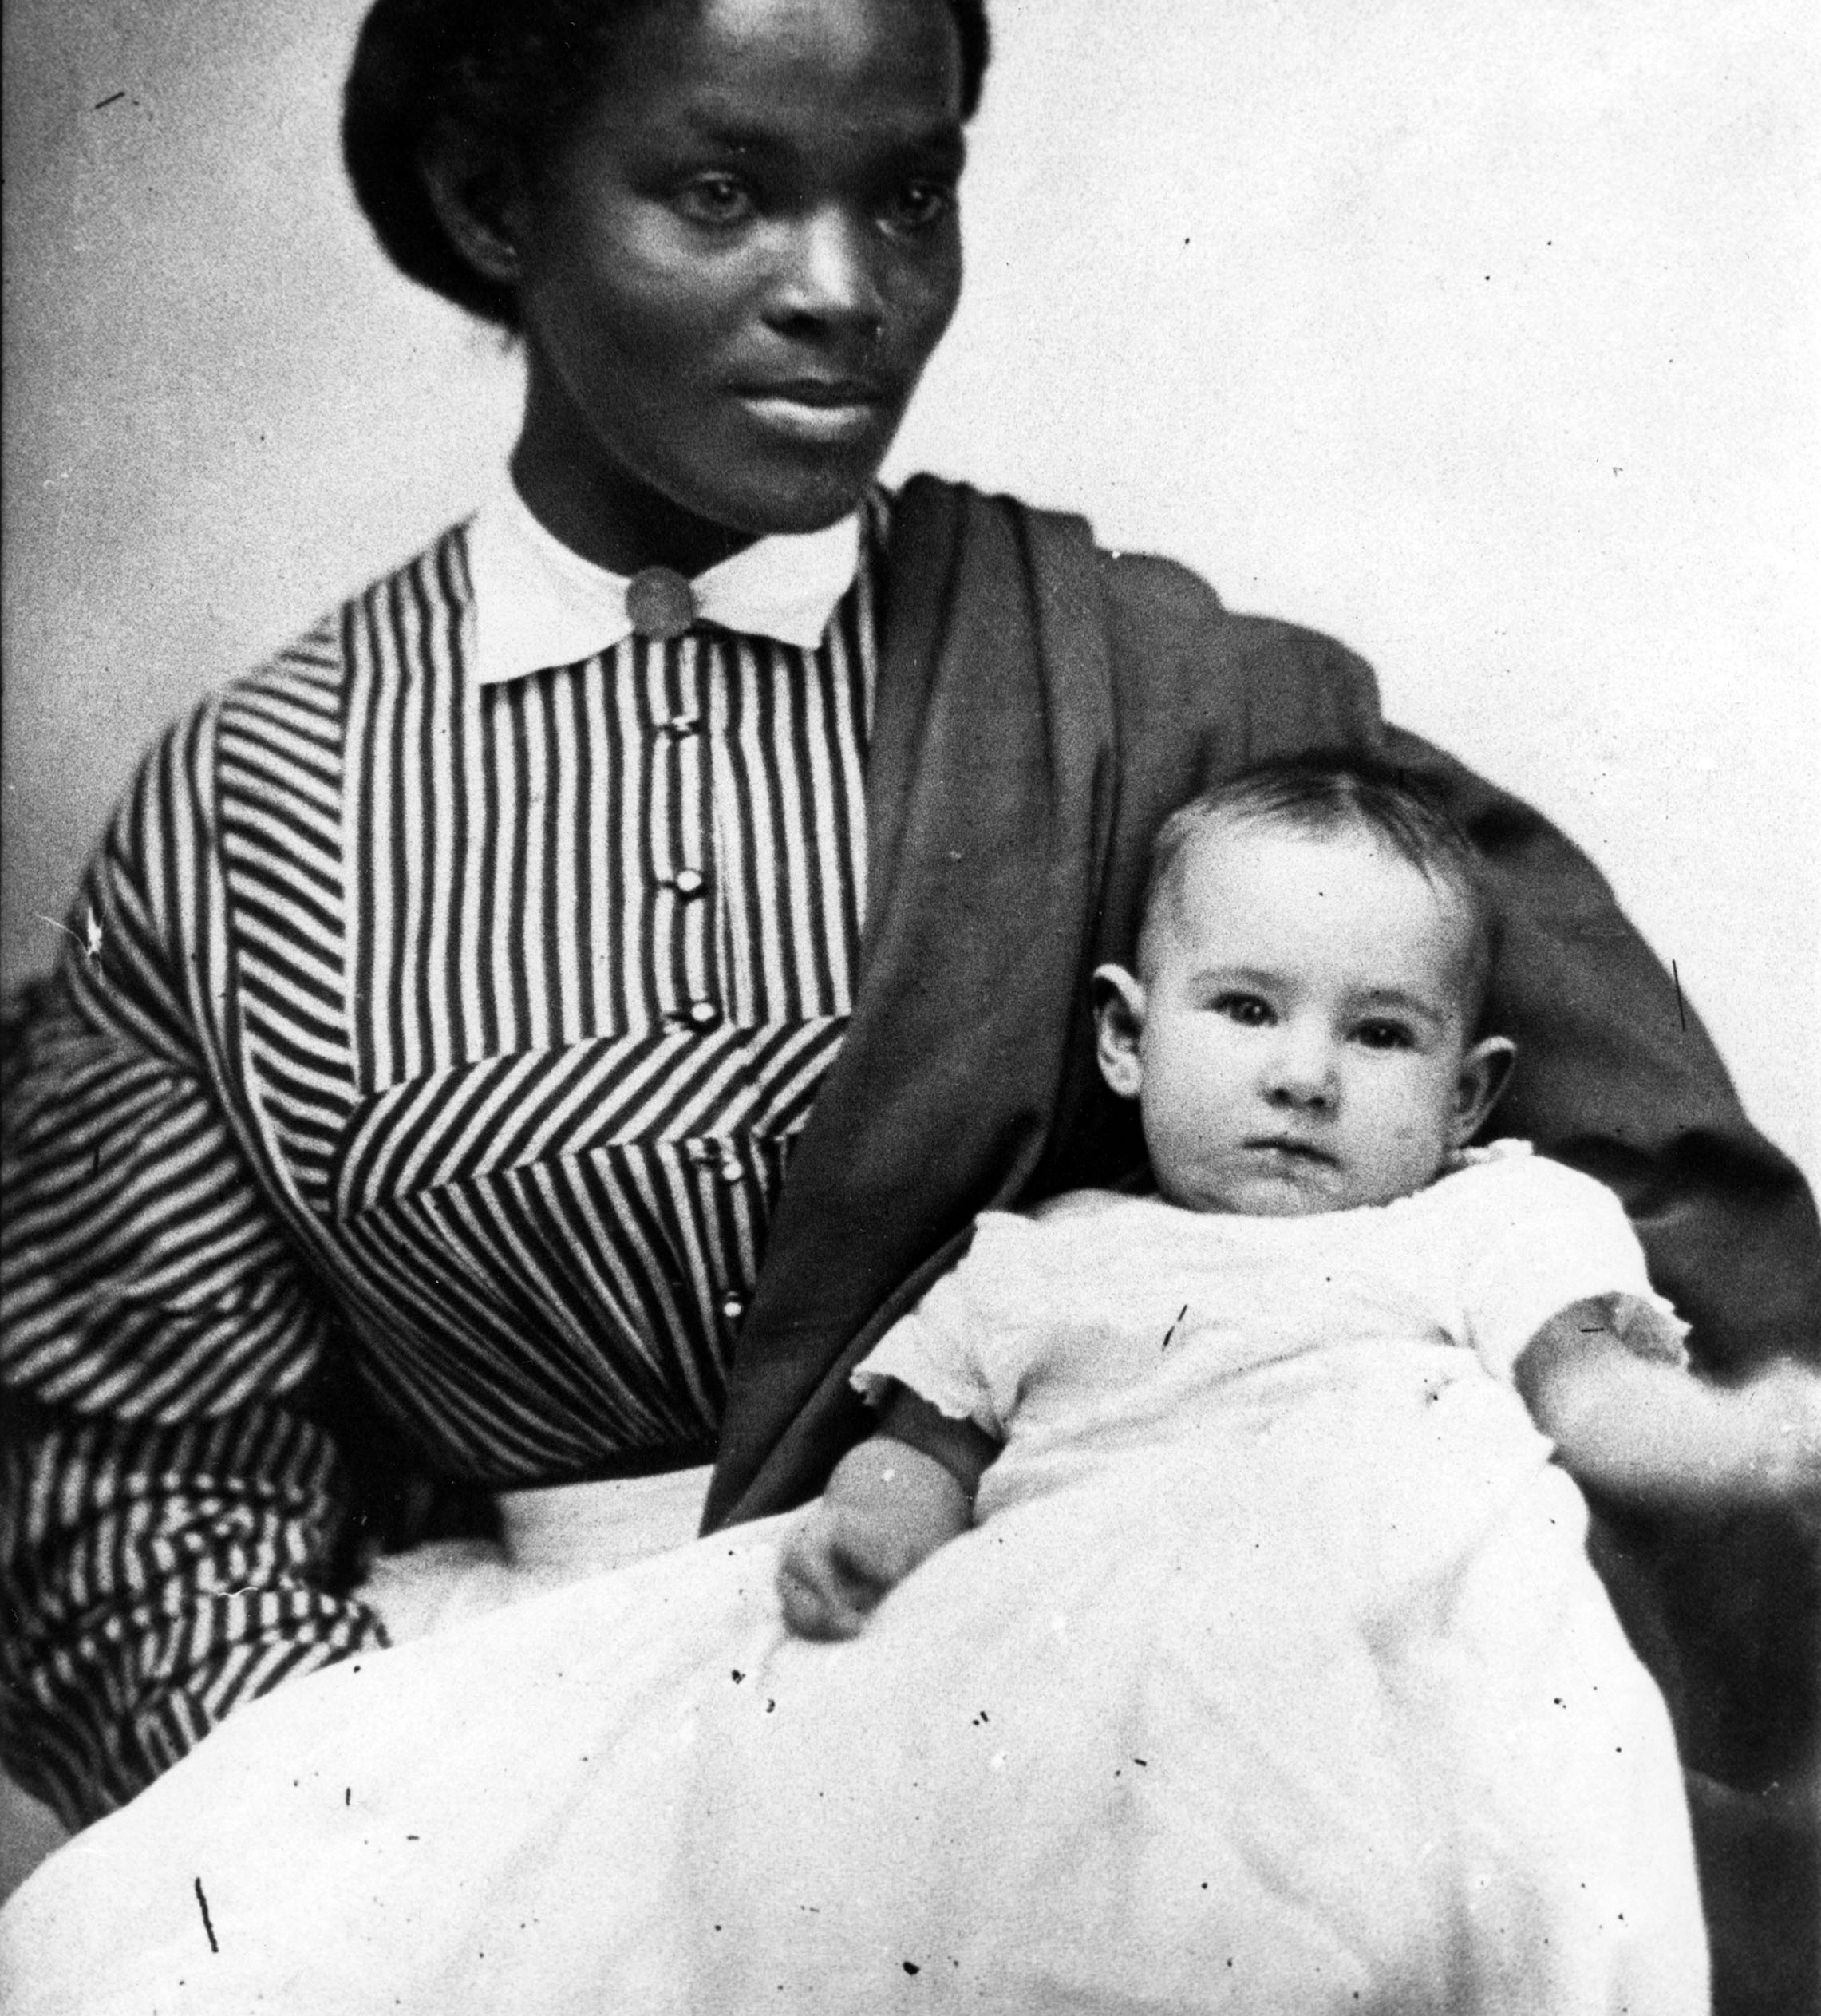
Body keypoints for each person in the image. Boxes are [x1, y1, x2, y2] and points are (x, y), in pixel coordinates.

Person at [0, 0, 1815, 2000]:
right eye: (721, 195)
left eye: (913, 197)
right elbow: (135, 1467)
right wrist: (430, 1858)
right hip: (471, 1818)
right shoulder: (254, 810)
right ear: (496, 203)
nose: (845, 291)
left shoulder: (1152, 696)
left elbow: (1630, 1199)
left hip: (1077, 1805)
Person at [4, 765, 1812, 2013]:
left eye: (1380, 1035)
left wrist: (1737, 1441)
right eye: (1245, 1011)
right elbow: (925, 1441)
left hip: (1370, 1649)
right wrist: (871, 1533)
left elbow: (1588, 1396)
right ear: (1123, 1035)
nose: (1305, 1080)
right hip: (1055, 1637)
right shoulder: (1048, 1254)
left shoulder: (1484, 1221)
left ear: (1471, 1093)